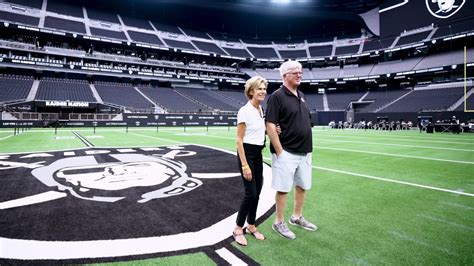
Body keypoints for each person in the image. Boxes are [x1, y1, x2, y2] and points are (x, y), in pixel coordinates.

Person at [265, 60, 317, 240]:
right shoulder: (277, 96)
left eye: (300, 72)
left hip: (304, 151)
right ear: (285, 75)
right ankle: (278, 222)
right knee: (283, 188)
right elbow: (270, 124)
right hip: (286, 151)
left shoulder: (301, 94)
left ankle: (296, 217)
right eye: (296, 72)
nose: (300, 74)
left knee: (302, 186)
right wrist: (279, 151)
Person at [233, 76, 268, 246]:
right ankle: (238, 228)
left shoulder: (261, 110)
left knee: (258, 191)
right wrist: (245, 164)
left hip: (258, 153)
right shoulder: (244, 111)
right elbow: (239, 140)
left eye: (264, 88)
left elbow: (259, 132)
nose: (263, 91)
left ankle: (251, 225)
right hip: (246, 154)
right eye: (259, 88)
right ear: (251, 91)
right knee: (251, 193)